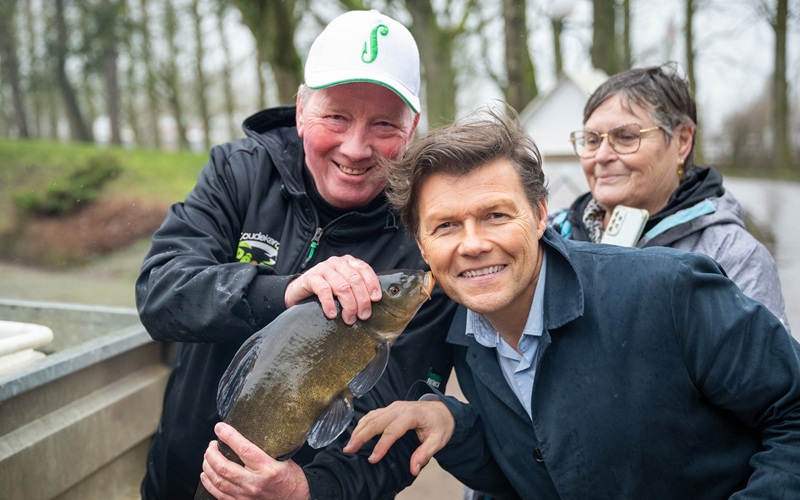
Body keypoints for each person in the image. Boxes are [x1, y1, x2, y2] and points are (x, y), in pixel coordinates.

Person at [344, 107, 800, 499]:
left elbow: (791, 410)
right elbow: (545, 467)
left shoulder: (669, 291)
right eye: (446, 226)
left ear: (541, 214)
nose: (473, 243)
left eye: (496, 215)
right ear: (421, 246)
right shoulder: (466, 338)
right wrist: (454, 425)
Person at [136, 10, 457, 499]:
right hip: (180, 481)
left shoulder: (427, 237)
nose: (356, 147)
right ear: (302, 110)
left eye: (384, 124)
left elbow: (400, 421)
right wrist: (281, 291)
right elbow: (160, 293)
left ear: (411, 131)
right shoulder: (238, 172)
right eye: (336, 116)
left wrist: (307, 489)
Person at [550, 63, 790, 332]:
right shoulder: (553, 238)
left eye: (626, 137)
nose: (602, 156)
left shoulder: (733, 257)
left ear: (682, 141)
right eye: (592, 140)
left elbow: (763, 370)